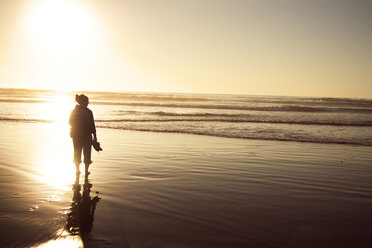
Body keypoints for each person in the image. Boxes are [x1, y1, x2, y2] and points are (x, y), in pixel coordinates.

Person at [69, 94, 97, 175]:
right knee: (87, 153)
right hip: (86, 135)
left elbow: (69, 122)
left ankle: (77, 170)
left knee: (77, 152)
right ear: (82, 102)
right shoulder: (89, 112)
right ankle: (86, 170)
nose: (88, 103)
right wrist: (95, 136)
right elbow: (92, 125)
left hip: (76, 135)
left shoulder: (74, 111)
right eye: (86, 101)